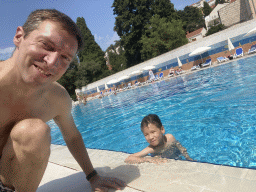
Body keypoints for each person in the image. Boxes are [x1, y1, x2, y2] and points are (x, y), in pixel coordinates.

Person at [0, 9, 125, 192]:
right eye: (46, 45)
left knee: (35, 133)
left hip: (6, 180)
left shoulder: (56, 98)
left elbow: (72, 136)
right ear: (19, 36)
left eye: (65, 58)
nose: (52, 62)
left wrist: (93, 176)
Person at [125, 114, 193, 164]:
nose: (150, 137)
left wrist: (188, 157)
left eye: (153, 132)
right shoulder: (151, 149)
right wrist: (147, 159)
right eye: (146, 135)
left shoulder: (170, 138)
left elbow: (180, 147)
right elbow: (129, 159)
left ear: (162, 129)